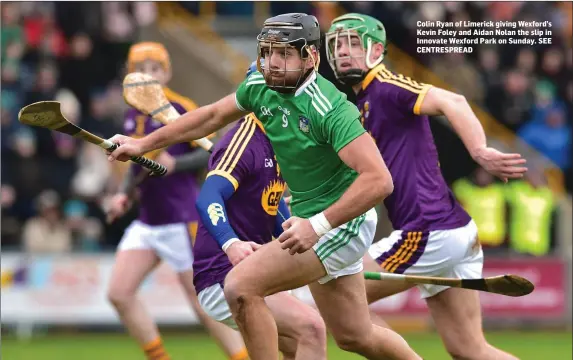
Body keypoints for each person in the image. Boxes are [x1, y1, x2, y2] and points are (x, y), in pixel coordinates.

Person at [106, 13, 422, 360]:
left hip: (340, 222)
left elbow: (379, 180)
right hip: (311, 218)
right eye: (268, 52)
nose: (272, 62)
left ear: (310, 58)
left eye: (284, 54)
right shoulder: (261, 87)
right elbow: (210, 117)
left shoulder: (330, 107)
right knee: (355, 336)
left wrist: (316, 226)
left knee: (242, 285)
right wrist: (142, 144)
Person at [325, 13, 527, 360]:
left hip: (427, 231)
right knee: (470, 349)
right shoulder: (360, 105)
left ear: (376, 50)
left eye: (353, 43)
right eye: (338, 44)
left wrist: (479, 150)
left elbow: (454, 101)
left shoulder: (386, 87)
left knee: (341, 305)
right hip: (453, 230)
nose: (344, 51)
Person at [104, 42, 248, 360]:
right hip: (149, 221)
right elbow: (138, 163)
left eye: (154, 69)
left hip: (183, 219)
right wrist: (123, 196)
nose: (147, 76)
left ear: (166, 73)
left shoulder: (181, 107)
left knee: (203, 301)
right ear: (130, 75)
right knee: (118, 293)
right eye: (140, 70)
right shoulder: (132, 115)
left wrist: (176, 164)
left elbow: (208, 152)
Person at [193, 61, 328, 360]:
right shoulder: (243, 141)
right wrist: (231, 244)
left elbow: (273, 206)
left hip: (256, 270)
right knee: (311, 329)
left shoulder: (279, 141)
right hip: (222, 273)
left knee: (297, 347)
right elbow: (208, 198)